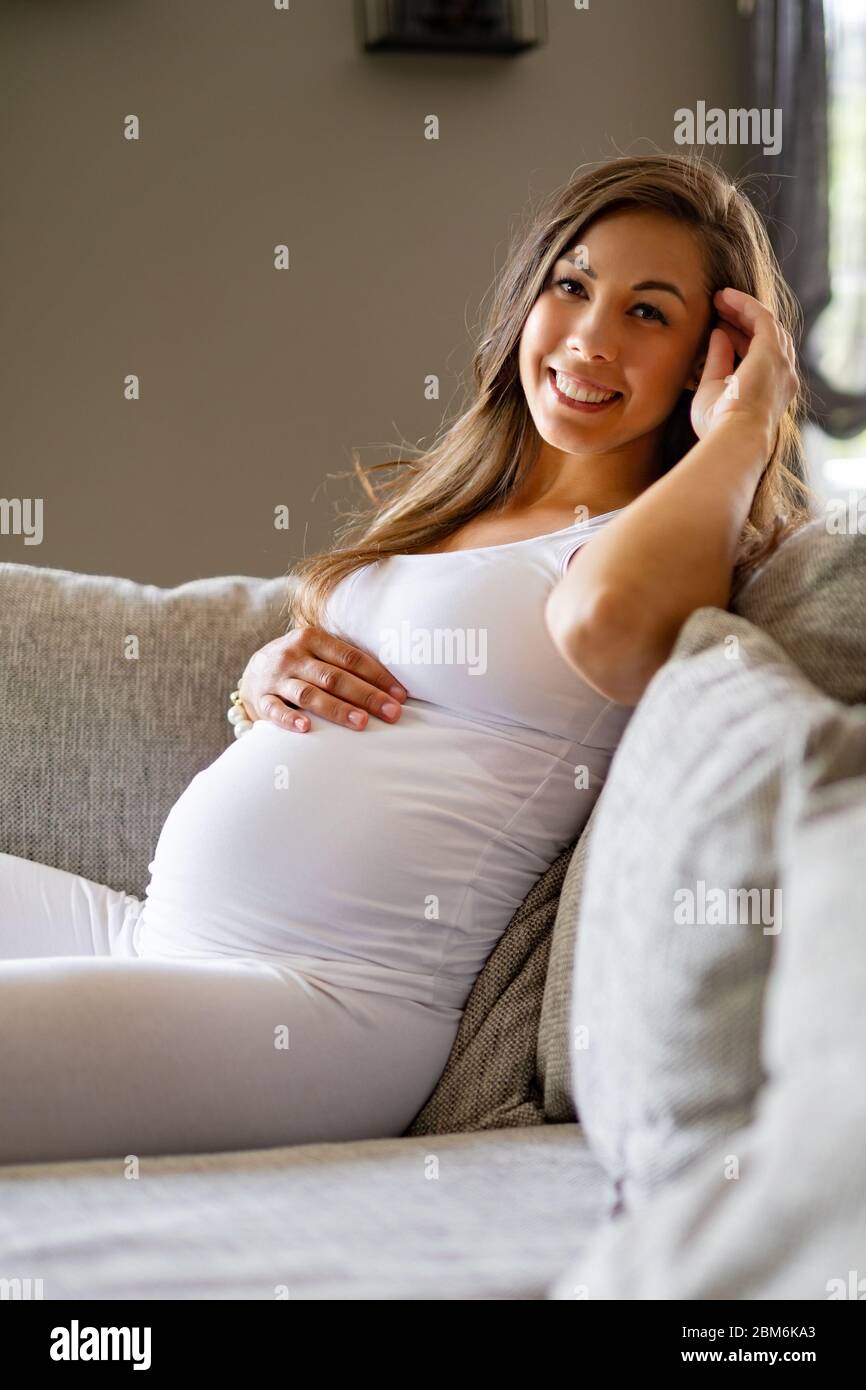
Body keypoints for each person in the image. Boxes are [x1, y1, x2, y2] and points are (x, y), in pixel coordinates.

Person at [0, 153, 811, 1166]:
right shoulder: (464, 504)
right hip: (152, 941)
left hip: (309, 1008)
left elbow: (611, 629)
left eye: (647, 313)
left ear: (710, 355)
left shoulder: (647, 546)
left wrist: (745, 426)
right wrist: (260, 684)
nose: (590, 337)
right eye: (570, 285)